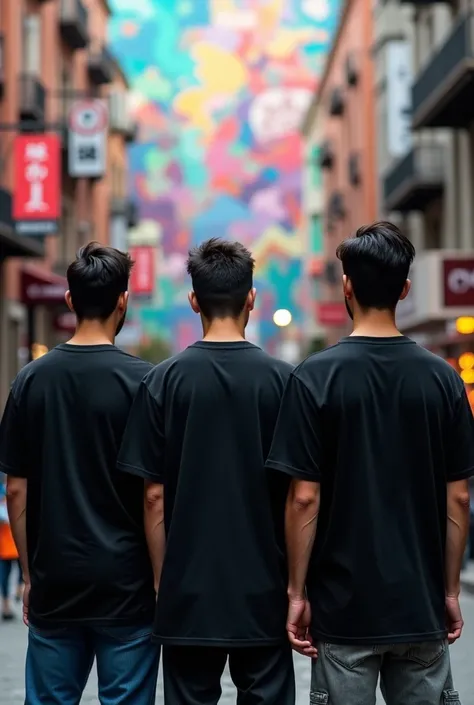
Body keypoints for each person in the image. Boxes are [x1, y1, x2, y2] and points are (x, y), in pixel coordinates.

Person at [265, 222, 474, 705]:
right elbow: (458, 496)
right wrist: (447, 590)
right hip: (419, 606)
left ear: (347, 287)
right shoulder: (443, 381)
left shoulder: (314, 377)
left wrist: (296, 593)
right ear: (404, 289)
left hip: (344, 611)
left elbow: (303, 497)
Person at [118, 238, 296, 705]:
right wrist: (298, 585)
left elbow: (153, 496)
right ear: (251, 299)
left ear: (194, 299)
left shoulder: (161, 381)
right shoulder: (283, 381)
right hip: (265, 588)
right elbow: (301, 493)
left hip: (188, 589)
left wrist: (163, 581)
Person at [0, 243, 159, 705]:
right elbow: (154, 495)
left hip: (56, 579)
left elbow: (16, 486)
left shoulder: (31, 380)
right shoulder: (145, 382)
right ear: (123, 300)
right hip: (127, 584)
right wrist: (159, 578)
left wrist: (30, 575)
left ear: (70, 300)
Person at [0, 473, 23, 620]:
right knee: (5, 574)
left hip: (17, 543)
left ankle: (19, 590)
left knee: (20, 571)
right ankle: (6, 605)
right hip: (5, 544)